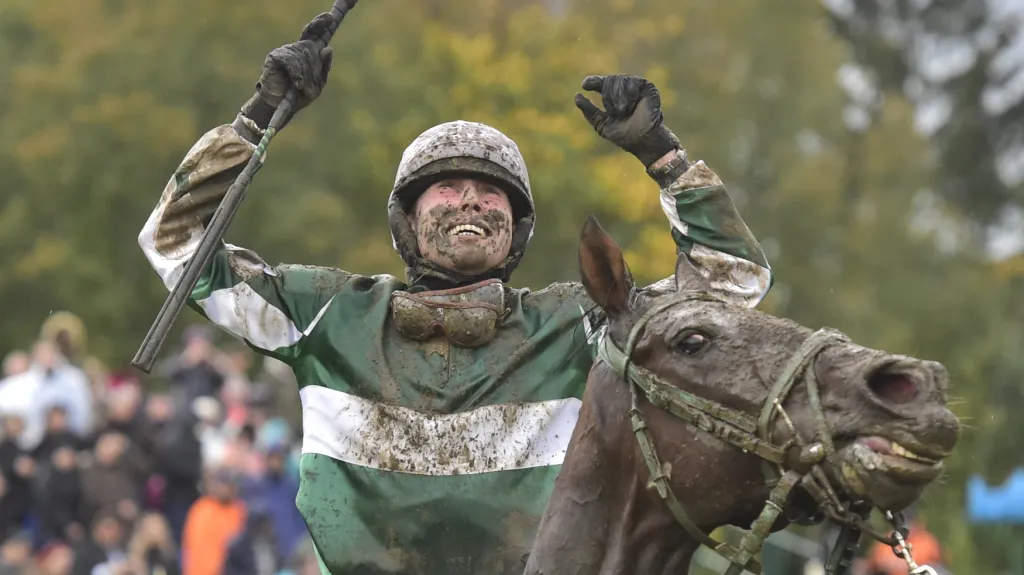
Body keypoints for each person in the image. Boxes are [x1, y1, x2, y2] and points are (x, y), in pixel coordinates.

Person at [137, 11, 773, 575]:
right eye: (446, 187)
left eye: (491, 191)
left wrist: (661, 154)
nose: (471, 198)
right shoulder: (329, 313)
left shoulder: (575, 324)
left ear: (516, 227)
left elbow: (733, 280)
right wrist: (255, 120)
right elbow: (176, 246)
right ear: (407, 221)